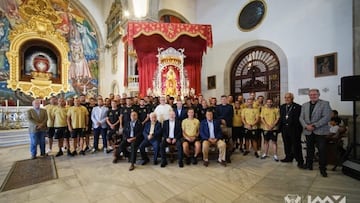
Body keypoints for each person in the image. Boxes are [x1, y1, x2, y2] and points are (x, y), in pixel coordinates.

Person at [299, 89, 332, 177]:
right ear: (309, 95)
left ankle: (322, 168)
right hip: (308, 131)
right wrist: (306, 126)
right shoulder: (304, 105)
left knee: (321, 150)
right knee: (309, 149)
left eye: (315, 94)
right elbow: (301, 118)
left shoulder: (325, 103)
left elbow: (327, 117)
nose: (313, 96)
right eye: (311, 94)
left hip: (320, 131)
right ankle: (309, 165)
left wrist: (314, 126)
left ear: (318, 95)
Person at [279, 93, 304, 167]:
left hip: (294, 129)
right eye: (285, 97)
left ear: (292, 98)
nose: (287, 99)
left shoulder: (298, 107)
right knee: (286, 144)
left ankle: (300, 160)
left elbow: (300, 119)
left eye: (288, 97)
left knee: (296, 145)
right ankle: (288, 157)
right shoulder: (282, 106)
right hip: (284, 129)